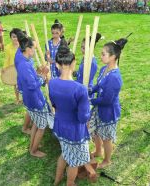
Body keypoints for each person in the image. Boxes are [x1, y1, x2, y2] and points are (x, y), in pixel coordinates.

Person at [49, 44, 96, 186]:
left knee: (65, 153)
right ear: (74, 63)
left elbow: (54, 104)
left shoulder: (51, 83)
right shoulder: (80, 89)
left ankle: (57, 180)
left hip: (60, 127)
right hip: (74, 131)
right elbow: (83, 118)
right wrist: (87, 108)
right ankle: (70, 183)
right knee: (74, 162)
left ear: (57, 65)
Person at [88, 37, 128, 169]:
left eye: (103, 54)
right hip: (100, 108)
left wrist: (90, 100)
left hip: (108, 112)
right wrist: (90, 90)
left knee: (106, 138)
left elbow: (106, 100)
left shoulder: (115, 78)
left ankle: (107, 159)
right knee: (97, 132)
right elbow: (98, 85)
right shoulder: (104, 69)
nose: (101, 56)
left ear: (113, 56)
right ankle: (98, 151)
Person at [15, 33, 52, 158]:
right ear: (28, 49)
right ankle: (34, 150)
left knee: (36, 123)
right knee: (41, 127)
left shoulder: (22, 58)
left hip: (30, 98)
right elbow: (32, 85)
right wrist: (43, 76)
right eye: (34, 48)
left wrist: (38, 73)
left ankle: (32, 146)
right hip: (34, 99)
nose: (35, 51)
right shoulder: (24, 65)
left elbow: (29, 78)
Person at [75, 33, 102, 97]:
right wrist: (76, 73)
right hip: (79, 87)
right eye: (81, 47)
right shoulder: (85, 57)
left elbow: (87, 79)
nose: (82, 50)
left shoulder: (92, 63)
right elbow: (81, 74)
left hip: (85, 91)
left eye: (84, 48)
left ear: (91, 48)